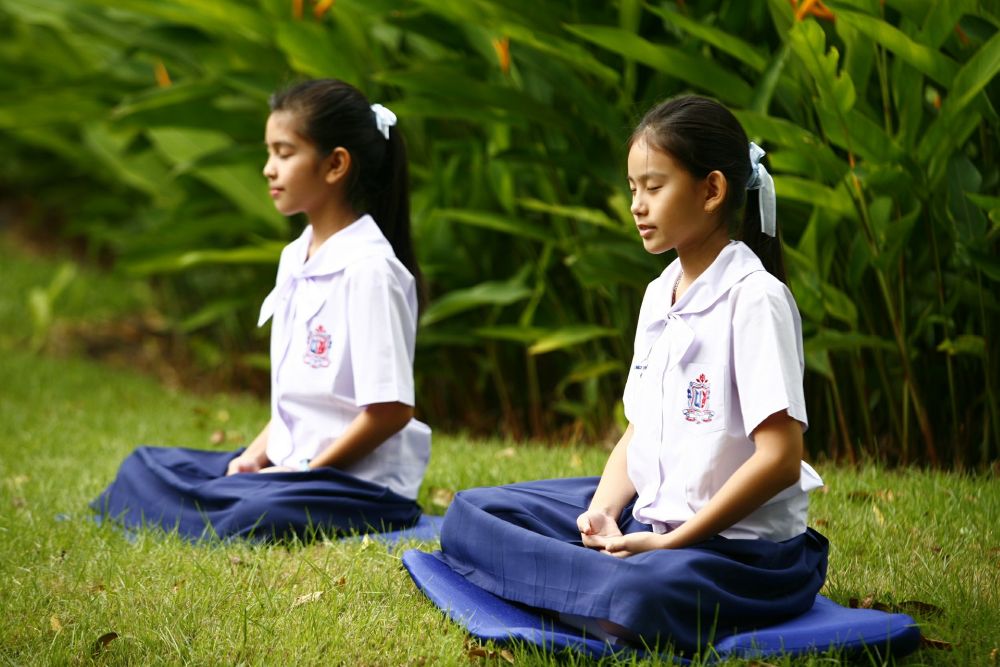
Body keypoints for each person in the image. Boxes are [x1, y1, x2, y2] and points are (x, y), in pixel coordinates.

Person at [435, 96, 828, 655]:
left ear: (712, 190)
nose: (637, 206)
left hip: (735, 552)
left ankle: (587, 594)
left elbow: (780, 458)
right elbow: (639, 430)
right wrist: (600, 512)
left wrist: (673, 545)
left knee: (645, 595)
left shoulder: (756, 299)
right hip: (652, 516)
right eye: (633, 189)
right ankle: (592, 589)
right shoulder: (658, 293)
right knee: (472, 514)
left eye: (654, 187)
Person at [93, 79, 431, 541]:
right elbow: (301, 401)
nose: (269, 169)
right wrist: (255, 458)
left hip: (354, 487)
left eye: (284, 153)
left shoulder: (370, 270)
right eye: (269, 153)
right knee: (147, 465)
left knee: (248, 512)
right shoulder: (296, 257)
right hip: (294, 469)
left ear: (335, 164)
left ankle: (236, 499)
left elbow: (391, 410)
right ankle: (236, 491)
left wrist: (304, 473)